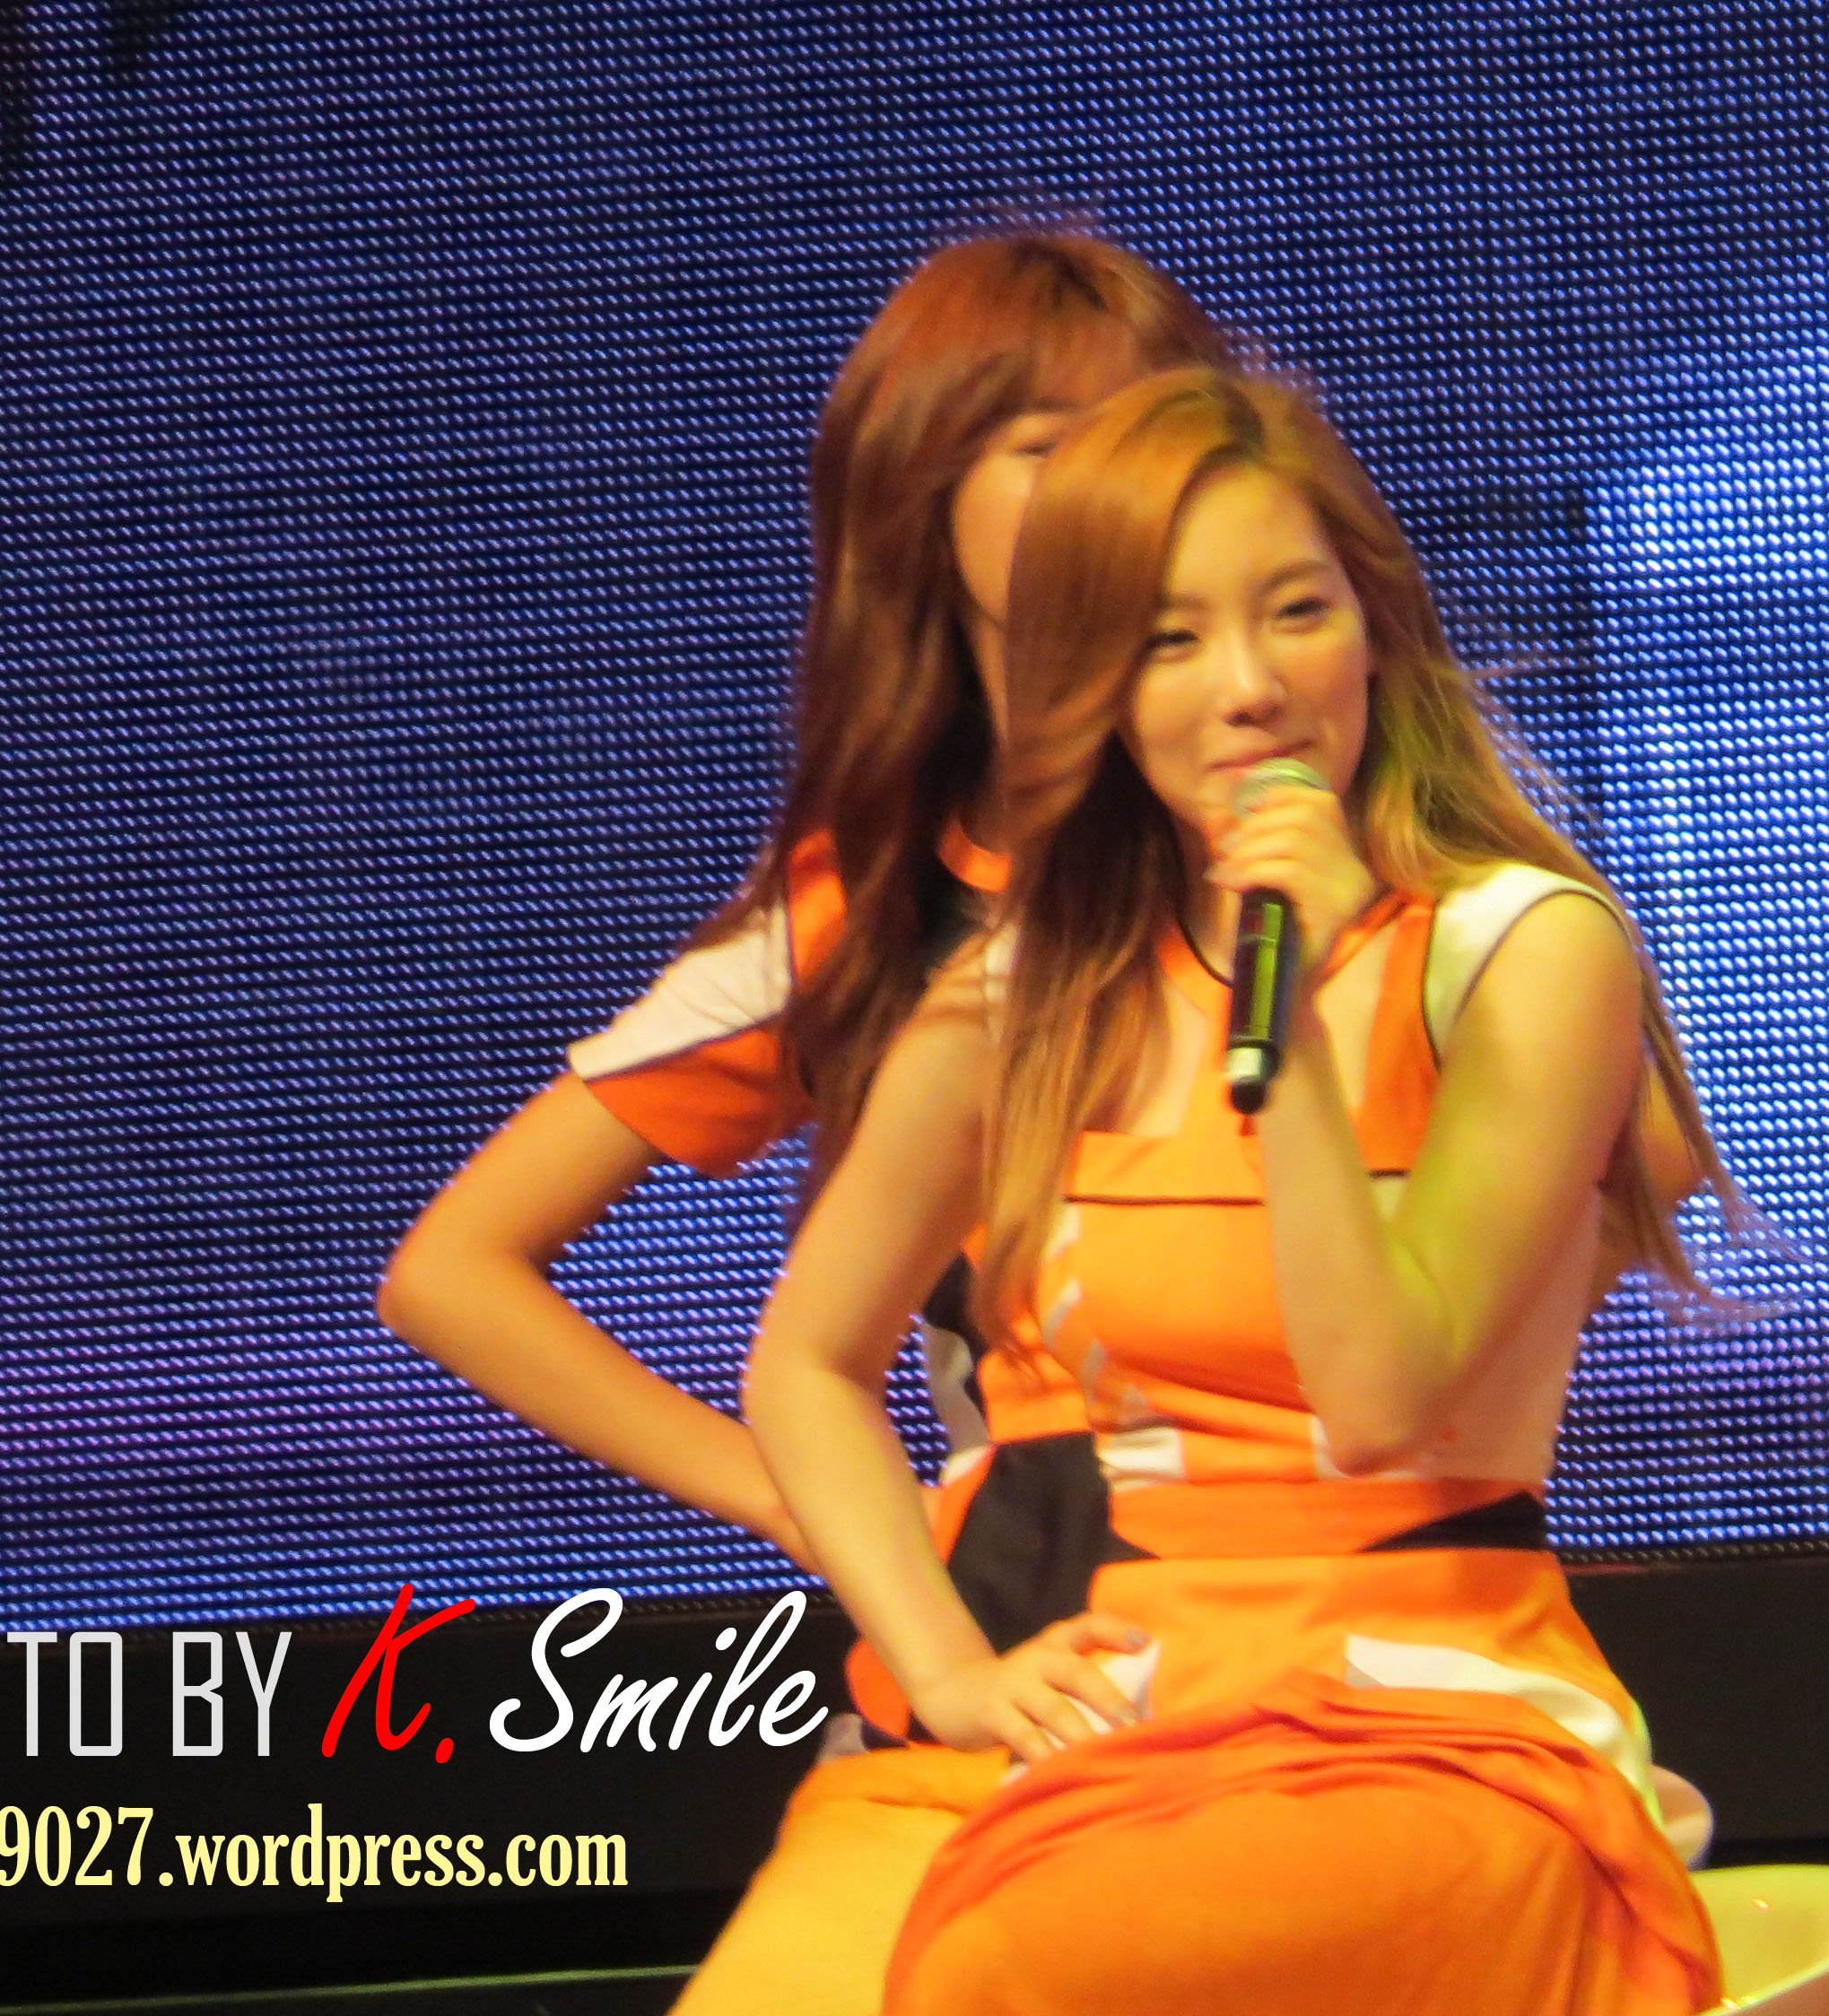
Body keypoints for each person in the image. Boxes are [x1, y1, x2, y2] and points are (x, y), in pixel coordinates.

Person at [744, 366, 1726, 2014]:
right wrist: (952, 1671)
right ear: (1094, 691)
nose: (1252, 689)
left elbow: (1381, 1397)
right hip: (1136, 1706)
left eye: (1297, 613)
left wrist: (1310, 1018)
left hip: (1438, 1705)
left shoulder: (1523, 953)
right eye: (1171, 640)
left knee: (1064, 1960)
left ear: (1375, 632)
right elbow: (805, 1363)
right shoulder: (1025, 1004)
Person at [376, 231, 1236, 2013]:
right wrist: (811, 1501)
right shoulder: (871, 908)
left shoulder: (1320, 831)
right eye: (1045, 445)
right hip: (1014, 1652)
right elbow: (456, 1269)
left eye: (1149, 434)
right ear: (924, 501)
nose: (1112, 489)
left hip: (1347, 1632)